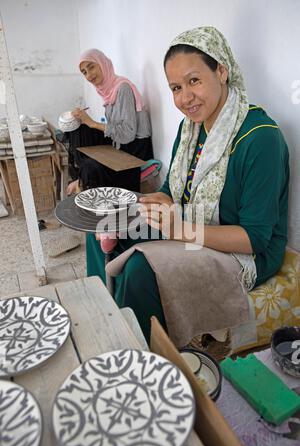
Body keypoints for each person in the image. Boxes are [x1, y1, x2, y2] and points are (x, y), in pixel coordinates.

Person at [86, 26, 289, 346]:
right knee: (105, 222)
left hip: (244, 251)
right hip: (193, 221)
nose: (185, 98)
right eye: (176, 87)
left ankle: (143, 355)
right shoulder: (191, 127)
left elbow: (254, 238)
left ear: (221, 71)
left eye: (194, 81)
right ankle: (107, 315)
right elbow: (172, 188)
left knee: (143, 269)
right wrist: (156, 199)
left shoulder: (260, 138)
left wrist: (178, 229)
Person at [64, 49, 153, 194]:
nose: (89, 75)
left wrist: (92, 123)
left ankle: (84, 180)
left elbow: (128, 134)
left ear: (102, 63)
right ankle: (81, 175)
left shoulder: (122, 88)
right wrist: (84, 120)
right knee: (79, 129)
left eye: (91, 66)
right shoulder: (107, 90)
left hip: (135, 148)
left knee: (91, 165)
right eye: (84, 72)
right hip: (120, 143)